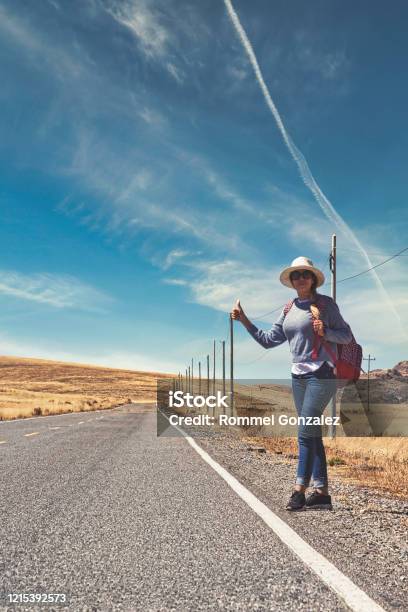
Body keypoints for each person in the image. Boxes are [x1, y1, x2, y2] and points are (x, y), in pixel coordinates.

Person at [230, 256, 352, 511]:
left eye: (305, 274)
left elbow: (346, 335)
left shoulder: (326, 305)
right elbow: (267, 340)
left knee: (304, 431)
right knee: (312, 433)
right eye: (296, 275)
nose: (301, 278)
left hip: (323, 374)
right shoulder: (288, 309)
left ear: (314, 279)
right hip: (298, 377)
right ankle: (321, 494)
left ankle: (298, 491)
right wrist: (244, 320)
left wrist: (325, 332)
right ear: (292, 280)